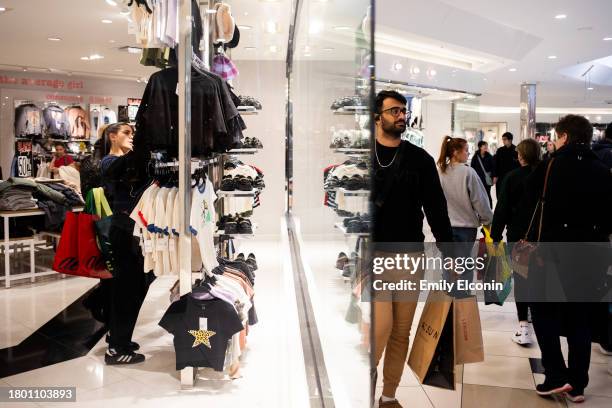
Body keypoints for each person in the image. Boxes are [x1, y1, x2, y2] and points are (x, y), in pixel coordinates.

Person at [518, 115, 612, 402]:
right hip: (591, 255)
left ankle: (556, 376)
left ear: (565, 137)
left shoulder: (551, 165)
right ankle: (578, 384)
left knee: (544, 312)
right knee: (580, 317)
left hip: (551, 253)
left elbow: (529, 196)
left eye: (557, 137)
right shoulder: (602, 168)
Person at [372, 91, 453, 408]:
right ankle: (364, 390)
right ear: (377, 116)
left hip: (409, 257)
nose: (401, 116)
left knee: (400, 332)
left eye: (403, 110)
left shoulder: (420, 160)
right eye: (393, 110)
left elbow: (437, 211)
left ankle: (388, 396)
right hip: (372, 258)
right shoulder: (363, 156)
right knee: (380, 330)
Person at [99, 122, 152, 366]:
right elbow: (120, 169)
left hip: (132, 230)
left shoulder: (129, 162)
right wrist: (143, 145)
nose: (131, 137)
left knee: (137, 285)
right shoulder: (110, 162)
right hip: (123, 231)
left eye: (133, 133)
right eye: (126, 133)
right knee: (127, 290)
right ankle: (116, 348)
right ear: (112, 136)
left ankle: (119, 337)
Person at [490, 138, 541, 345]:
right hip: (543, 236)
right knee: (540, 279)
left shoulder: (512, 178)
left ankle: (523, 326)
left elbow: (501, 210)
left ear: (521, 155)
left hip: (518, 236)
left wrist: (495, 236)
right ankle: (538, 318)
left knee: (521, 279)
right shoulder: (546, 176)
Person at [438, 136, 493, 296]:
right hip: (465, 229)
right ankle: (461, 305)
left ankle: (448, 306)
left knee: (448, 267)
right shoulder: (468, 172)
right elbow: (480, 200)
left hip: (445, 228)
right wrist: (487, 221)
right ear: (456, 152)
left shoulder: (441, 172)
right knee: (464, 269)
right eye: (466, 150)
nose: (468, 154)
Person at [492, 132, 519, 199]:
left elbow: (518, 164)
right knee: (500, 195)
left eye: (505, 139)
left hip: (512, 177)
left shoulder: (516, 150)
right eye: (502, 139)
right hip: (501, 177)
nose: (503, 141)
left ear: (510, 140)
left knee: (511, 196)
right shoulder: (500, 150)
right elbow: (496, 163)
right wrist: (495, 176)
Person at [470, 141, 494, 207]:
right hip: (478, 178)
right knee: (479, 194)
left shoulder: (490, 156)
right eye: (484, 145)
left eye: (486, 145)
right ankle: (481, 208)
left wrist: (494, 177)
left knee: (487, 193)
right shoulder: (475, 157)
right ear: (480, 147)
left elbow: (493, 167)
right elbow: (472, 167)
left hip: (487, 179)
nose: (486, 147)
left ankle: (489, 207)